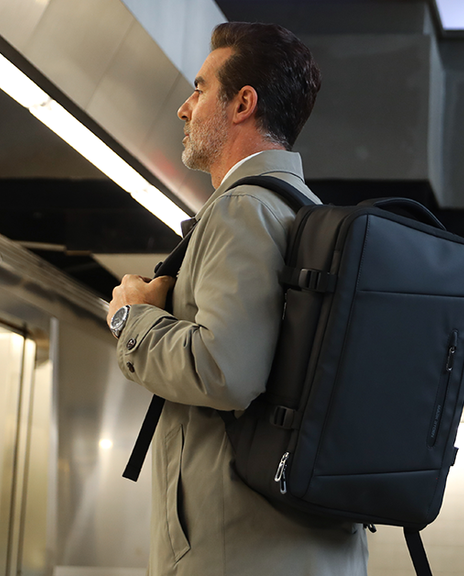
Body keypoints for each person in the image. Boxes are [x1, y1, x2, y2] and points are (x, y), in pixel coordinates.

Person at [105, 21, 368, 576]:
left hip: (236, 552)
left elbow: (224, 370)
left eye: (200, 88)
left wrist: (131, 318)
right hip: (310, 547)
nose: (184, 107)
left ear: (242, 103)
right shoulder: (308, 217)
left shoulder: (243, 209)